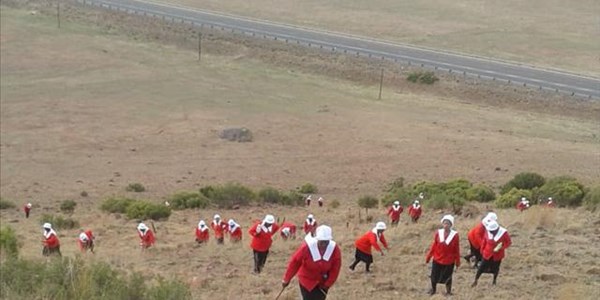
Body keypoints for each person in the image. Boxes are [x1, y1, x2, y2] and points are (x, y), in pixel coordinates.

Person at [282, 225, 342, 300]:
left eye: (326, 242)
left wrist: (328, 284)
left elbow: (335, 268)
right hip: (307, 281)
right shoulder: (307, 248)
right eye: (321, 241)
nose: (323, 244)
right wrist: (287, 279)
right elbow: (295, 262)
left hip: (323, 282)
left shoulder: (334, 249)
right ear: (317, 239)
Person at [425, 215, 461, 295]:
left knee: (448, 277)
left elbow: (456, 249)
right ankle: (433, 290)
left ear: (451, 225)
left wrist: (457, 261)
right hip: (437, 258)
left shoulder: (455, 235)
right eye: (444, 223)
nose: (446, 225)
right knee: (434, 276)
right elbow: (434, 245)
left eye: (448, 223)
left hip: (449, 260)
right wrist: (429, 256)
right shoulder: (438, 232)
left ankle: (448, 292)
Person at [471, 220, 512, 287]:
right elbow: (484, 240)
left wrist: (501, 247)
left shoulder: (504, 233)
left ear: (496, 229)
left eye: (492, 231)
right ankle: (476, 280)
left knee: (496, 268)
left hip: (498, 255)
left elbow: (508, 242)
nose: (491, 232)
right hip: (487, 253)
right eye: (490, 231)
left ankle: (494, 281)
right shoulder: (488, 231)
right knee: (481, 267)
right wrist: (482, 250)